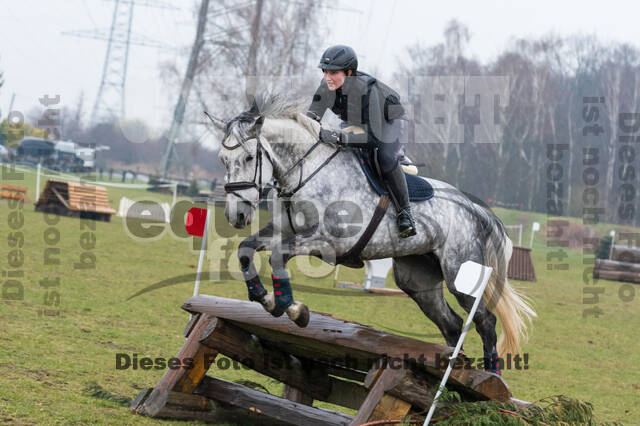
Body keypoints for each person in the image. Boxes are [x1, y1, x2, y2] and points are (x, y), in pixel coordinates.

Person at [306, 45, 417, 238]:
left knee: (384, 157)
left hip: (389, 123)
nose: (327, 77)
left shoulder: (368, 90)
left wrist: (338, 137)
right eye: (325, 71)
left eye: (333, 72)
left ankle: (405, 213)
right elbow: (310, 122)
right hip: (359, 122)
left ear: (349, 72)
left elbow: (374, 138)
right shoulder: (326, 87)